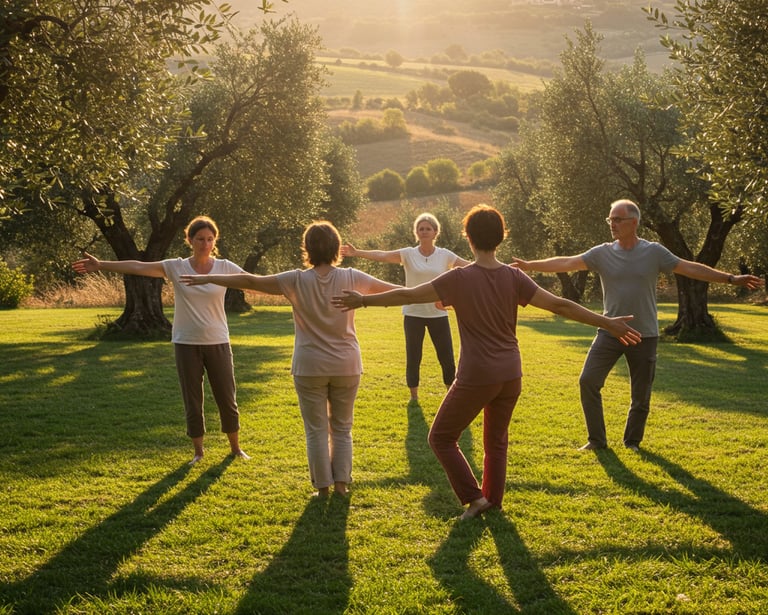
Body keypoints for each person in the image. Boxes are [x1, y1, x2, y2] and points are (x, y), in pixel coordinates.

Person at [332, 205, 642, 519]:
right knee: (496, 441)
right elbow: (560, 305)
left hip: (478, 374)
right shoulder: (514, 276)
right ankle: (492, 501)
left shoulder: (458, 278)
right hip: (511, 374)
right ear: (501, 237)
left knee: (440, 437)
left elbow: (408, 296)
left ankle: (475, 499)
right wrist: (607, 323)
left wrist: (364, 300)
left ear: (467, 237)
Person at [512, 198, 763, 452]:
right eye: (610, 219)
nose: (612, 224)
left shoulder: (654, 252)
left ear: (634, 222)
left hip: (645, 334)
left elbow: (689, 268)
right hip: (609, 330)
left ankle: (632, 442)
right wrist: (529, 266)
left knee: (640, 396)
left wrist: (730, 279)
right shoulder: (602, 253)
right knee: (588, 380)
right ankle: (596, 441)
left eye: (617, 219)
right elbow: (566, 262)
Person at [181, 221, 399, 498]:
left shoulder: (295, 279)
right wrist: (436, 294)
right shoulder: (353, 277)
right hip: (346, 364)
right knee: (342, 428)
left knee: (317, 430)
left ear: (306, 248)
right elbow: (396, 291)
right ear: (336, 247)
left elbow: (250, 281)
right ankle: (341, 485)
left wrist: (209, 277)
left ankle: (323, 489)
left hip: (309, 366)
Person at [72, 216, 250, 465]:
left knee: (226, 397)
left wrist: (295, 289)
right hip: (185, 343)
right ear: (189, 240)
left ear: (215, 240)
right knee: (192, 399)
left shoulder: (225, 267)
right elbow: (137, 267)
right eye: (200, 239)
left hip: (217, 341)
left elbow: (254, 282)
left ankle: (235, 448)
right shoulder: (176, 267)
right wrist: (101, 264)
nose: (205, 244)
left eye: (210, 239)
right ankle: (198, 452)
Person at [341, 213, 470, 404]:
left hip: (438, 314)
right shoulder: (408, 253)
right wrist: (357, 252)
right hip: (413, 313)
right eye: (421, 228)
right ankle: (414, 397)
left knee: (447, 358)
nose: (424, 231)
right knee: (413, 356)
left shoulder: (445, 255)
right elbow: (382, 256)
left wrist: (499, 269)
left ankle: (451, 395)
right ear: (416, 232)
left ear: (435, 232)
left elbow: (470, 268)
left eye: (428, 228)